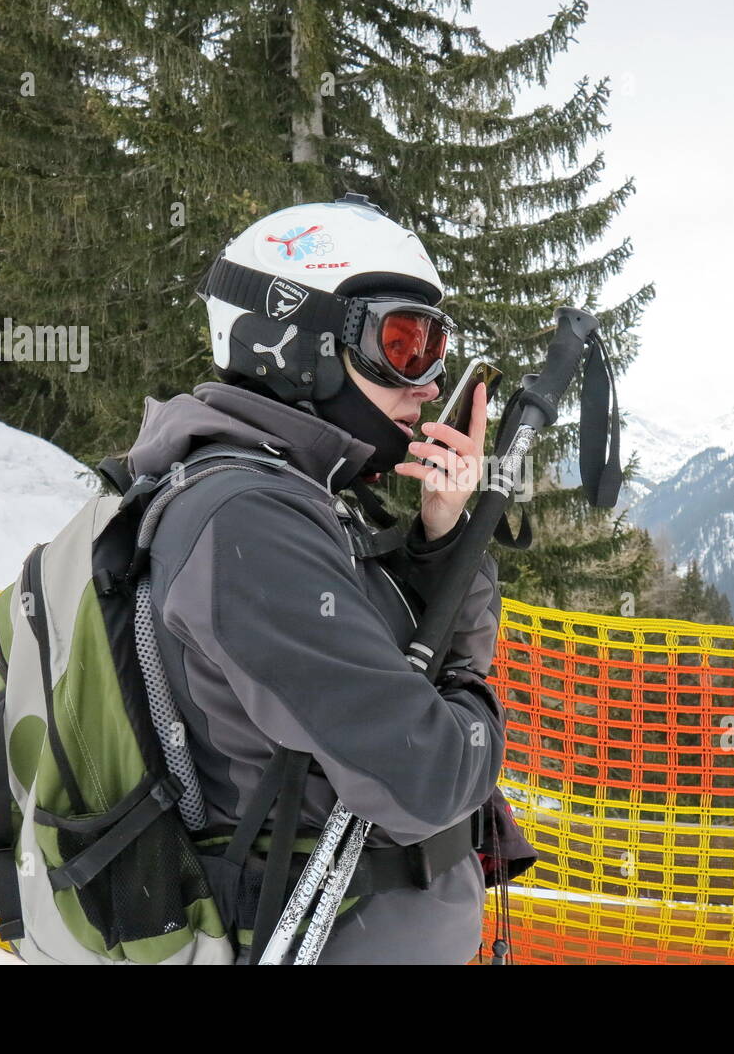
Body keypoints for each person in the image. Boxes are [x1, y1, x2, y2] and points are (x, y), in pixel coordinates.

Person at [123, 193, 515, 964]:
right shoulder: (246, 522)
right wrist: (473, 702)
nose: (430, 384)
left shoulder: (300, 501)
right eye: (404, 345)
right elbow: (429, 775)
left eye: (437, 347)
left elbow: (414, 662)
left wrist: (444, 536)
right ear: (294, 340)